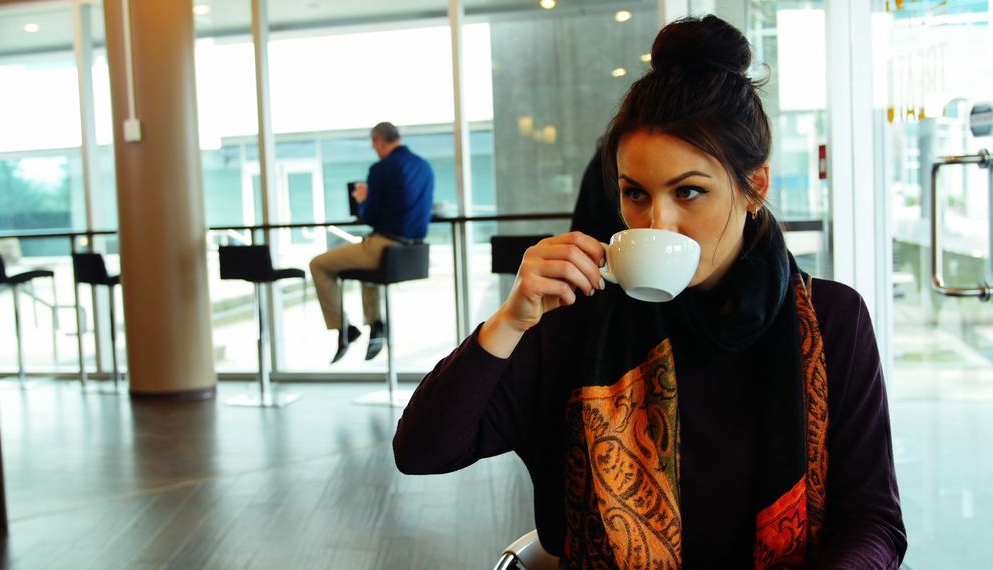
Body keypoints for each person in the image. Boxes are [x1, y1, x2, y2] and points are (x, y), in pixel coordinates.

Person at [393, 15, 906, 568]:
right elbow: (423, 451)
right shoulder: (574, 320)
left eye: (689, 191)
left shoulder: (830, 318)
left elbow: (872, 521)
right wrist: (511, 320)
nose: (656, 221)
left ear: (754, 185)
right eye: (635, 193)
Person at [310, 122, 434, 364]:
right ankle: (375, 323)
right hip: (414, 250)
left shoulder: (382, 168)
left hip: (386, 246)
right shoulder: (424, 166)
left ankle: (344, 327)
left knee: (318, 264)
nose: (373, 148)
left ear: (379, 140)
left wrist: (363, 199)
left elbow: (371, 217)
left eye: (373, 144)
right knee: (366, 266)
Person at [570, 140, 625, 242]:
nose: (657, 225)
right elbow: (607, 218)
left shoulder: (605, 158)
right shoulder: (605, 162)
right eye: (635, 194)